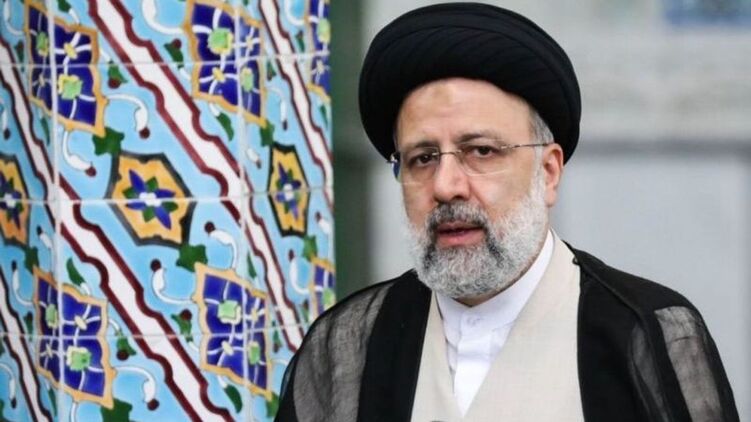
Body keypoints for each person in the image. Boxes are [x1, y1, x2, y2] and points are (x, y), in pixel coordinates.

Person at [276, 3, 739, 421]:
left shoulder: (645, 334)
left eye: (481, 151)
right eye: (422, 158)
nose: (446, 186)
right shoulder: (347, 346)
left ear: (548, 172)